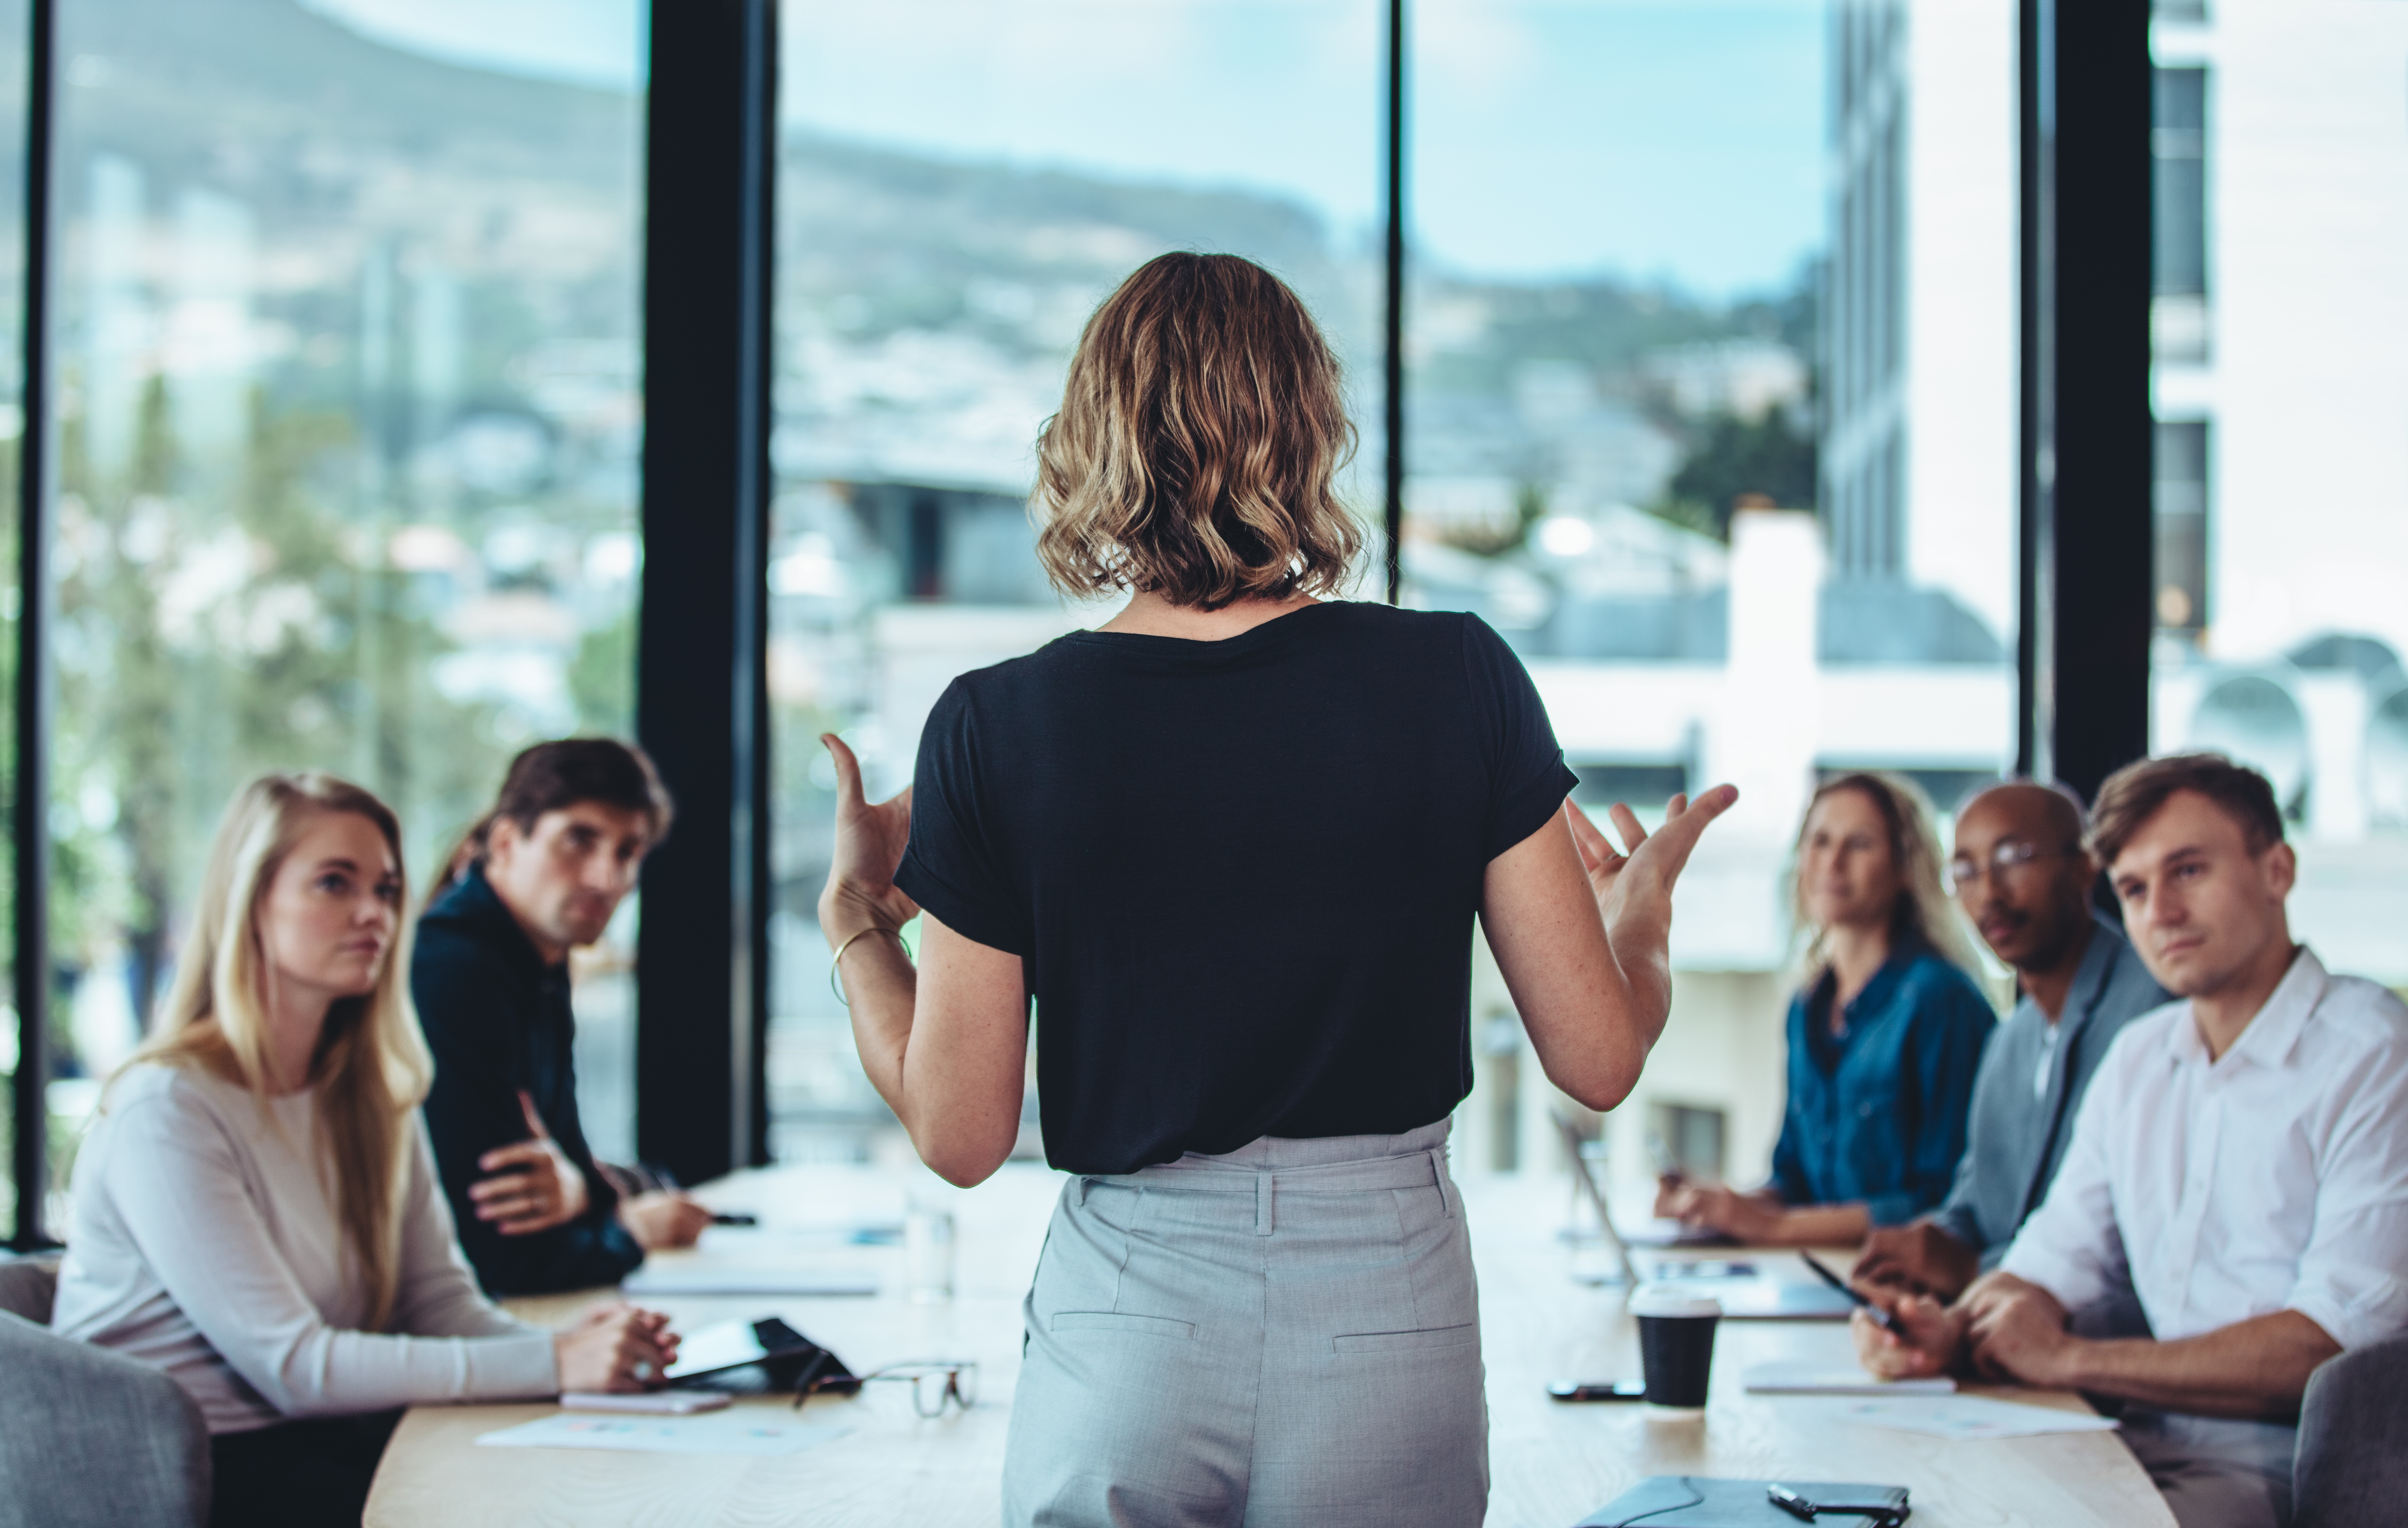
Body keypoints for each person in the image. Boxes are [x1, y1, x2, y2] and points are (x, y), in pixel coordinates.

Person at [817, 252, 1733, 1528]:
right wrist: (1638, 913)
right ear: (1307, 431)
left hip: (1127, 1318)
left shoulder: (995, 722)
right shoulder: (1455, 675)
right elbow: (1595, 1057)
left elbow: (958, 1131)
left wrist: (859, 922)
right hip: (1385, 1304)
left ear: (1091, 438)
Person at [49, 773, 675, 1528]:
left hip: (329, 1442)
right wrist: (552, 1364)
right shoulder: (168, 1106)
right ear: (250, 901)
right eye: (333, 884)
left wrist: (581, 1350)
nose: (373, 913)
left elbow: (439, 1304)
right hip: (197, 1481)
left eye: (385, 889)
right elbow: (295, 1368)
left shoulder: (372, 1094)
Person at [1855, 754, 2408, 1528]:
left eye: (2188, 870)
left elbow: (2330, 1347)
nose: (2161, 911)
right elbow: (2051, 1260)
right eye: (2136, 888)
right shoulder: (2142, 1056)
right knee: (1891, 1494)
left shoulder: (2373, 1052)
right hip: (2122, 1438)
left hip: (2285, 1472)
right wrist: (1950, 1328)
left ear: (2277, 868)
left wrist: (2069, 1358)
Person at [1851, 781, 2169, 1301]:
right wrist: (1929, 1243)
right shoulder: (2009, 1039)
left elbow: (2130, 1246)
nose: (1989, 893)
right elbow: (1971, 1207)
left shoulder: (2154, 1011)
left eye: (2013, 857)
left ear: (2085, 866)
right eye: (1966, 871)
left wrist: (1973, 1268)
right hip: (1997, 1329)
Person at [417, 739, 712, 1296]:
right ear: (505, 841)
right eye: (579, 839)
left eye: (628, 852)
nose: (607, 878)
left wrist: (584, 1190)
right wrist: (632, 1229)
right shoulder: (455, 972)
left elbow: (572, 1165)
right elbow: (500, 1254)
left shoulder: (537, 963)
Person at [1656, 772, 1996, 1246]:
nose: (1832, 863)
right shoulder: (1806, 1006)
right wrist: (1718, 1205)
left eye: (1858, 844)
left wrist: (1774, 1228)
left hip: (1901, 1289)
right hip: (1817, 1274)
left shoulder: (1943, 999)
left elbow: (1944, 1201)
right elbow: (1792, 1182)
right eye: (1819, 841)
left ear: (1905, 867)